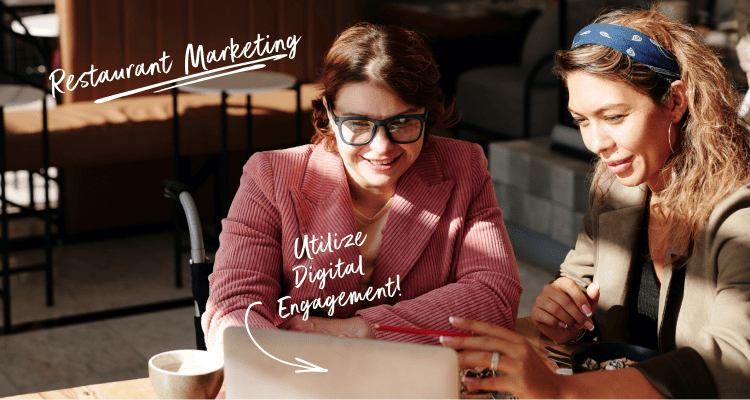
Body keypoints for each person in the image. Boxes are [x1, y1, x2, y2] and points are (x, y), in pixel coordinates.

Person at [440, 6, 750, 399]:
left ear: (675, 102)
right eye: (582, 121)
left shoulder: (739, 213)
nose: (597, 144)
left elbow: (735, 362)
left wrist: (561, 390)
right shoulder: (620, 189)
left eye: (615, 116)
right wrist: (564, 306)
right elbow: (578, 276)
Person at [202, 22, 522, 355]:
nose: (382, 147)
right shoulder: (270, 176)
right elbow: (233, 307)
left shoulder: (463, 166)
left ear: (427, 114)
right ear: (329, 112)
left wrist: (360, 330)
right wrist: (284, 363)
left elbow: (494, 296)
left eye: (402, 122)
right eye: (358, 123)